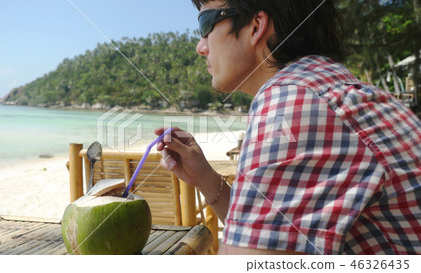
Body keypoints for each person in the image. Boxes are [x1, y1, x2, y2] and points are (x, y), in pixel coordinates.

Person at [155, 0, 421, 255]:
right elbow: (269, 237)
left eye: (205, 25)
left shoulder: (292, 100)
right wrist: (205, 178)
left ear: (256, 26)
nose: (201, 47)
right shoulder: (329, 87)